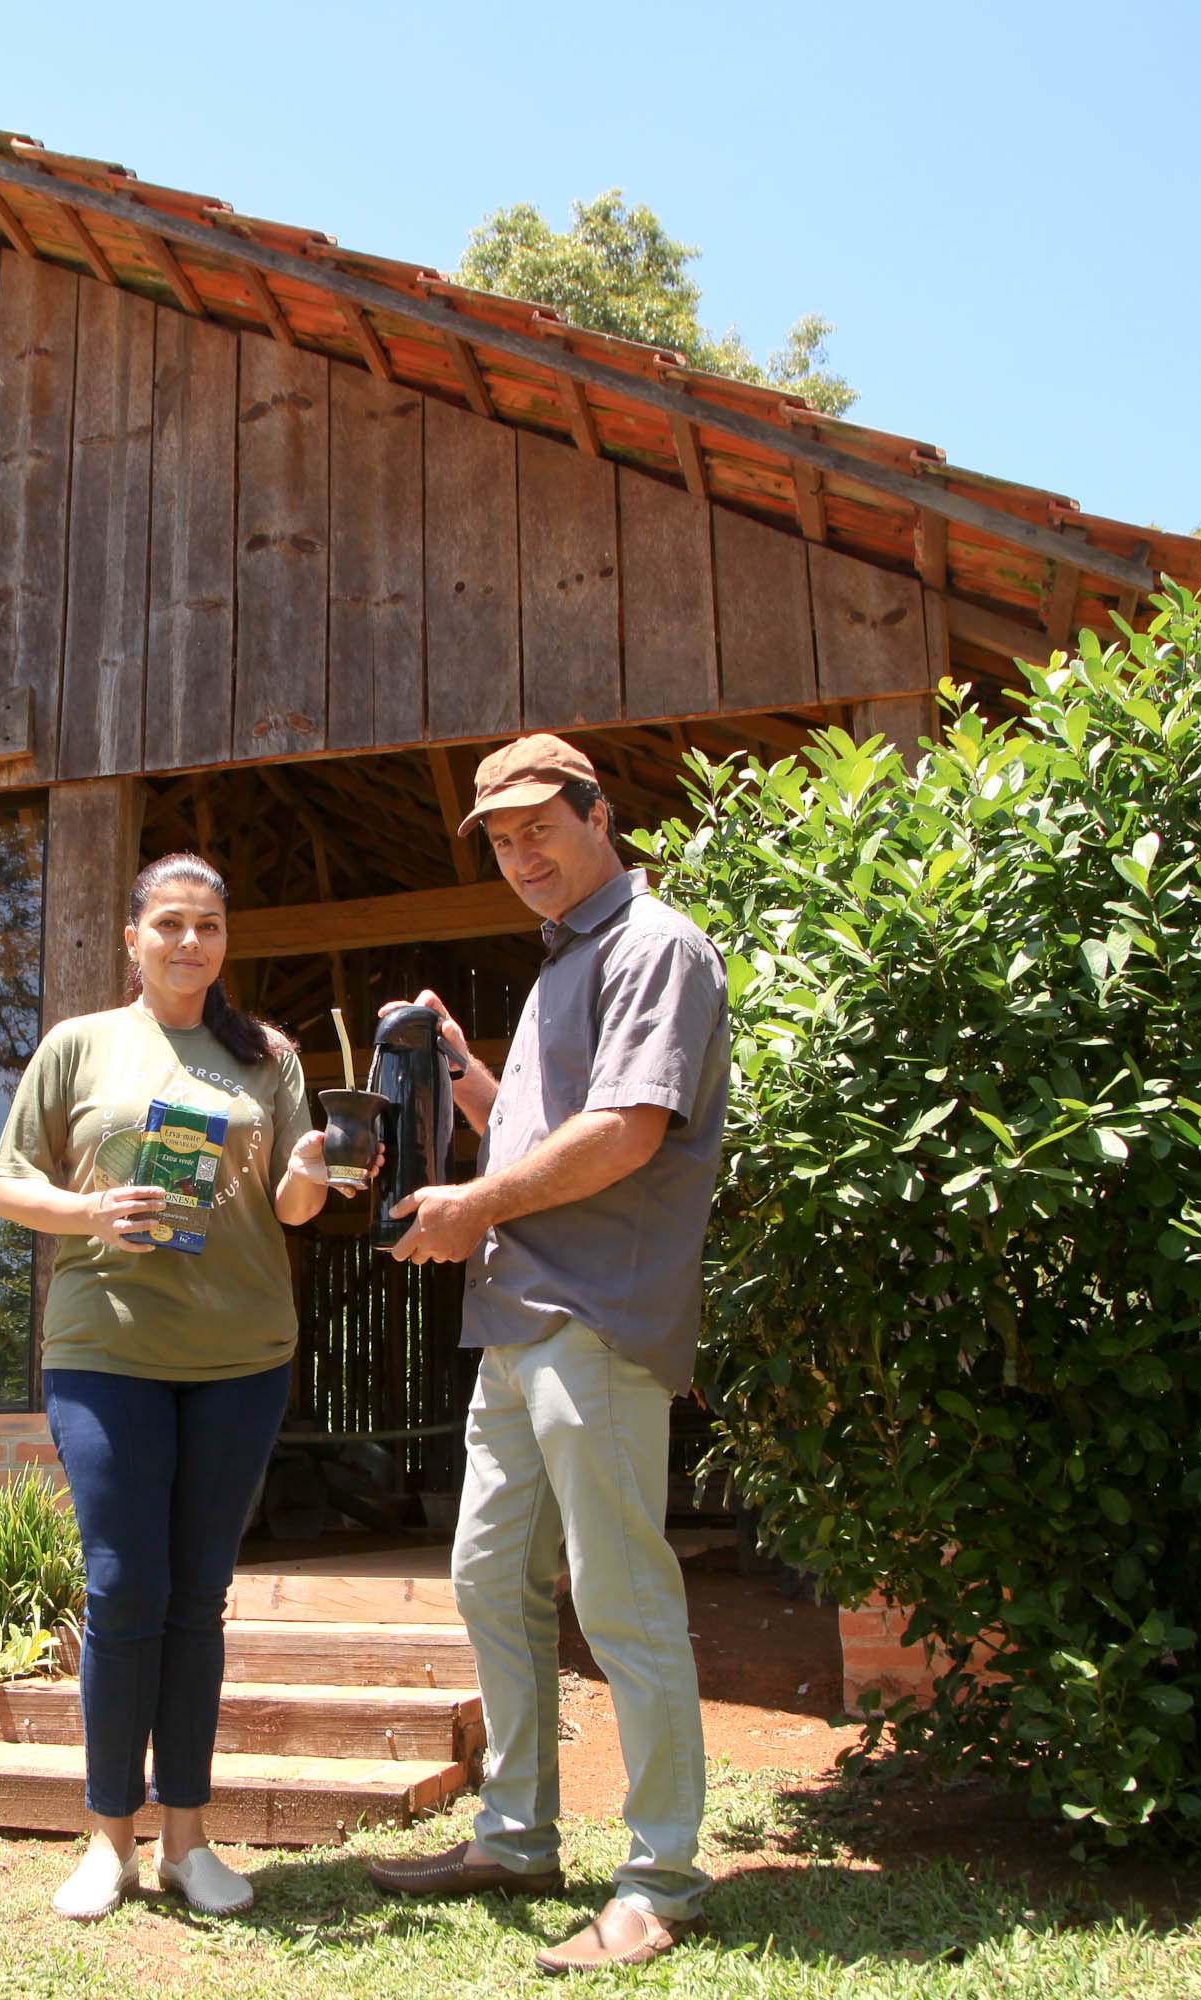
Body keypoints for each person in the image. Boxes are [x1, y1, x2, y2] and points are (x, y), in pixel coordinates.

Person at [364, 733, 730, 1976]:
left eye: (541, 827)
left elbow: (625, 1135)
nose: (523, 854)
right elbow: (532, 1132)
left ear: (597, 812)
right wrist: (469, 1073)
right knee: (486, 1577)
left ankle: (662, 1867)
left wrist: (474, 1208)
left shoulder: (654, 947)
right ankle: (517, 1834)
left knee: (620, 1593)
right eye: (501, 838)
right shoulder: (562, 963)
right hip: (517, 1321)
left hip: (598, 1316)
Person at [0, 851, 361, 1921]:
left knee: (198, 1598)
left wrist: (312, 1169)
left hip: (243, 1356)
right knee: (122, 1588)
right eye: (169, 924)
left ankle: (189, 1838)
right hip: (105, 1348)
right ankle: (108, 1836)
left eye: (208, 925)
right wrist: (89, 1213)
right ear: (133, 937)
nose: (189, 942)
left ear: (225, 939)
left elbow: (296, 1205)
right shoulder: (78, 1046)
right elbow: (8, 1182)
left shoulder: (267, 1055)